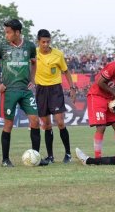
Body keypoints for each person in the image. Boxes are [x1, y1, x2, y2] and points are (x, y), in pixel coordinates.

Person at [0, 19, 48, 167]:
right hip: (9, 91)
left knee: (35, 121)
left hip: (25, 91)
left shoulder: (30, 46)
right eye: (5, 32)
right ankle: (5, 160)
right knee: (8, 124)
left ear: (17, 32)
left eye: (8, 32)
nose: (6, 35)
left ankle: (36, 157)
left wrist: (32, 79)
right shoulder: (1, 46)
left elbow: (34, 63)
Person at [35, 29, 76, 163]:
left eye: (48, 42)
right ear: (38, 42)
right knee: (46, 125)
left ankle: (68, 154)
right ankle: (50, 156)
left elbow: (66, 72)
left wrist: (72, 88)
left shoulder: (58, 54)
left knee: (60, 122)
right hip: (41, 90)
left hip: (55, 90)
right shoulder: (33, 53)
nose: (46, 44)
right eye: (43, 42)